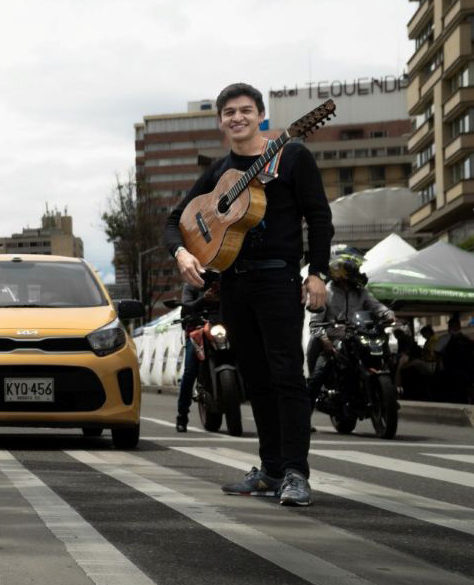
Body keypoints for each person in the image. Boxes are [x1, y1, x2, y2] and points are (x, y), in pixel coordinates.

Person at [166, 83, 332, 507]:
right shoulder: (220, 171)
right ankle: (271, 468)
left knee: (286, 375)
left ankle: (296, 472)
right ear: (220, 121)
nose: (237, 118)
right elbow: (174, 221)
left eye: (245, 110)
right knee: (255, 378)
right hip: (234, 284)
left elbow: (318, 216)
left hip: (278, 280)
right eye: (229, 113)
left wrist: (317, 273)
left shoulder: (292, 156)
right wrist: (183, 252)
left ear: (261, 115)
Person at [307, 249, 396, 406]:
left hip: (357, 336)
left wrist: (388, 314)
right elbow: (315, 322)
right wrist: (324, 339)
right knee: (317, 376)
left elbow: (376, 306)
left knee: (384, 357)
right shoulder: (325, 292)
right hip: (334, 341)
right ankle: (304, 416)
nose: (357, 271)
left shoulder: (361, 292)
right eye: (352, 268)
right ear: (339, 271)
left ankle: (387, 395)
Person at [174, 281, 220, 432]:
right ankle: (182, 415)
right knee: (189, 372)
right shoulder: (191, 284)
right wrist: (204, 299)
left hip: (218, 328)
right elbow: (186, 306)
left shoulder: (222, 280)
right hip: (196, 331)